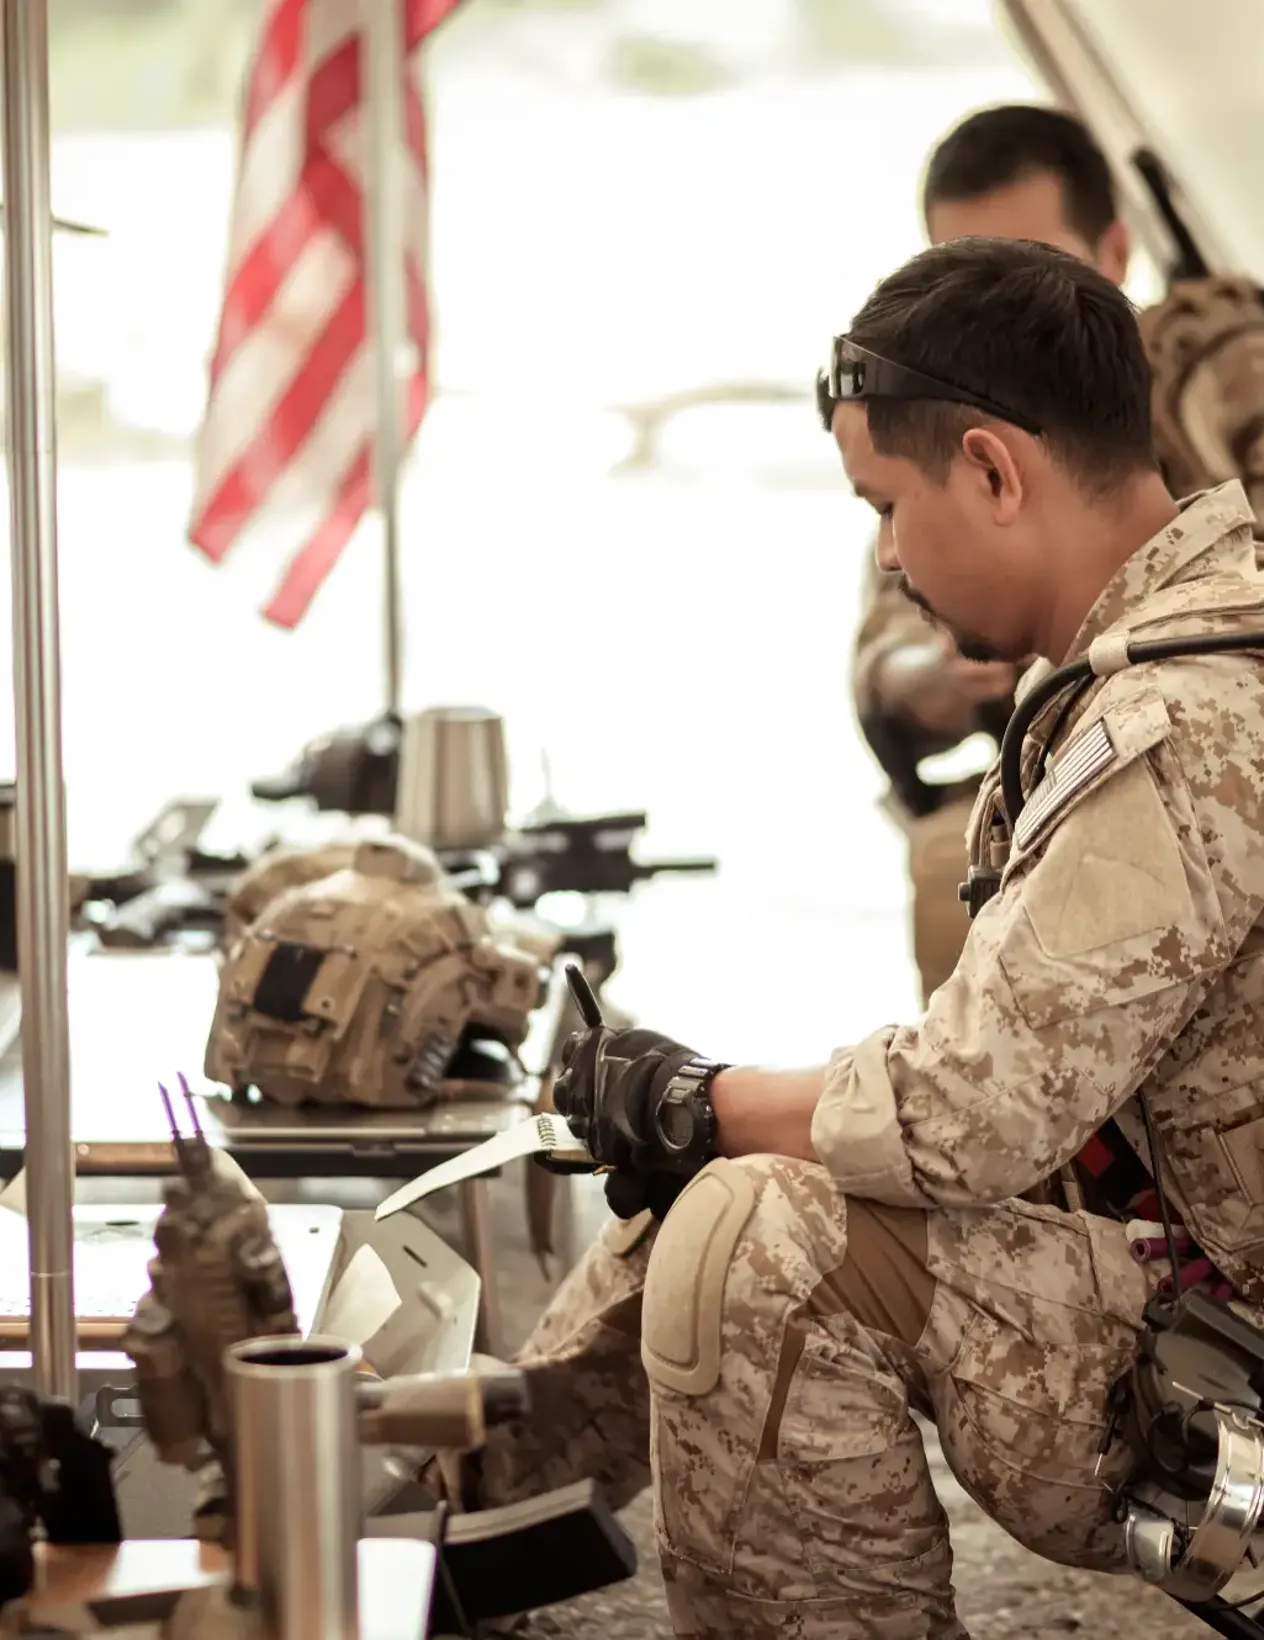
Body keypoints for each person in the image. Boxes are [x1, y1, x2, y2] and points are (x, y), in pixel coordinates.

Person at [424, 237, 1264, 1639]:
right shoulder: (1192, 639)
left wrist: (702, 1101)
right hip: (1208, 1286)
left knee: (758, 1238)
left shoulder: (1178, 730)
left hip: (1235, 1376)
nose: (886, 552)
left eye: (886, 503)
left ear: (994, 472)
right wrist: (715, 1117)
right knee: (723, 1175)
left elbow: (968, 1117)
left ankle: (428, 1496)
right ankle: (444, 1501)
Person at [853, 103, 1264, 1005]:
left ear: (1115, 255)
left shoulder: (1214, 381)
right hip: (1040, 774)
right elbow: (878, 650)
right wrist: (930, 671)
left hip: (1199, 751)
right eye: (964, 275)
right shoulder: (938, 439)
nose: (998, 313)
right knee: (947, 871)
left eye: (1037, 268)